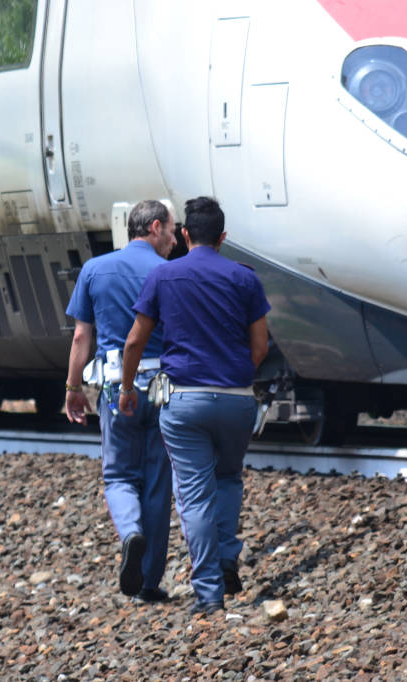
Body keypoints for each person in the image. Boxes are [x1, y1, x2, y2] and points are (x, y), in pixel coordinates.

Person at [118, 196, 270, 616]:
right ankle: (225, 560)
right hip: (237, 400)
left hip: (184, 401)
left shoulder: (164, 277)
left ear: (184, 235)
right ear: (223, 237)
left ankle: (208, 593)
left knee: (195, 495)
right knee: (228, 480)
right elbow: (260, 346)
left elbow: (134, 341)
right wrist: (236, 375)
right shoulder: (245, 278)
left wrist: (127, 386)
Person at [64, 199, 177, 602]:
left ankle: (130, 532)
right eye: (171, 231)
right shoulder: (168, 273)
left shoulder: (95, 269)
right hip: (162, 389)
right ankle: (148, 583)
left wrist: (73, 389)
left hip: (115, 388)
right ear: (155, 228)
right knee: (158, 482)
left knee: (118, 475)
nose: (174, 239)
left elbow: (81, 337)